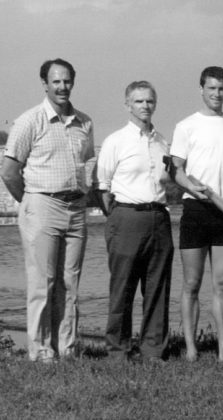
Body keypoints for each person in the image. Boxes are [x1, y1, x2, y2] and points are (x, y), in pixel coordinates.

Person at [1, 59, 94, 362]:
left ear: (73, 83)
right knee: (43, 283)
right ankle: (41, 352)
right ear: (45, 84)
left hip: (76, 209)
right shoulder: (29, 121)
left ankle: (66, 349)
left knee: (70, 283)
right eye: (56, 81)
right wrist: (30, 202)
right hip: (42, 205)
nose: (62, 87)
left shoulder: (85, 123)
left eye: (67, 81)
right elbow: (10, 172)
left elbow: (87, 164)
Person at [170, 66, 223, 362]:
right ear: (201, 89)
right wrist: (190, 186)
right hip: (196, 209)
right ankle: (191, 349)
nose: (217, 94)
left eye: (221, 89)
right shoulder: (186, 126)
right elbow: (175, 170)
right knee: (191, 284)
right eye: (211, 88)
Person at [96, 81, 175, 361]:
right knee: (123, 288)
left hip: (159, 217)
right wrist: (119, 217)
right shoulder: (115, 141)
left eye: (149, 101)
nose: (145, 106)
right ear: (128, 105)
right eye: (139, 101)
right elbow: (103, 188)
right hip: (127, 217)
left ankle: (153, 350)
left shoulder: (162, 141)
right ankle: (118, 350)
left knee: (158, 287)